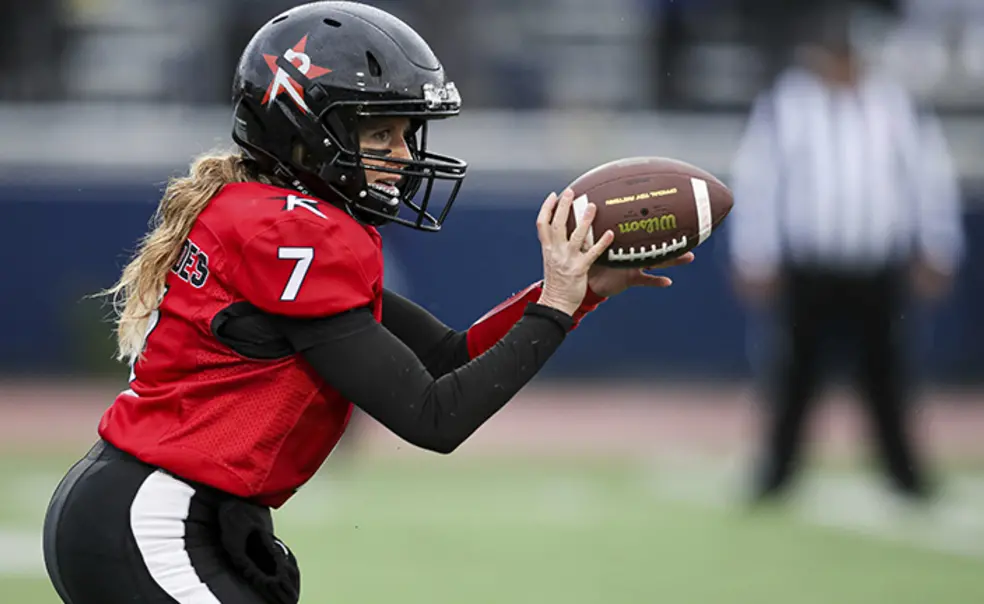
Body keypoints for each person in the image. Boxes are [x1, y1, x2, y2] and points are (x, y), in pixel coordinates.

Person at [41, 2, 694, 603]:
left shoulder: (273, 215)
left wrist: (576, 296)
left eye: (406, 134)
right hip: (152, 519)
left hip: (157, 511)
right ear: (303, 132)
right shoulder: (289, 230)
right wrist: (552, 306)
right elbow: (435, 417)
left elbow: (446, 356)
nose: (403, 158)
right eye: (379, 135)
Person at [728, 3, 963, 504]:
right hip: (810, 265)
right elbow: (758, 182)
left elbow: (929, 180)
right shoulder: (787, 105)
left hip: (877, 266)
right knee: (795, 373)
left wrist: (937, 243)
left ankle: (905, 474)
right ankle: (777, 473)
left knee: (887, 373)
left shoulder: (896, 106)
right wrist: (756, 253)